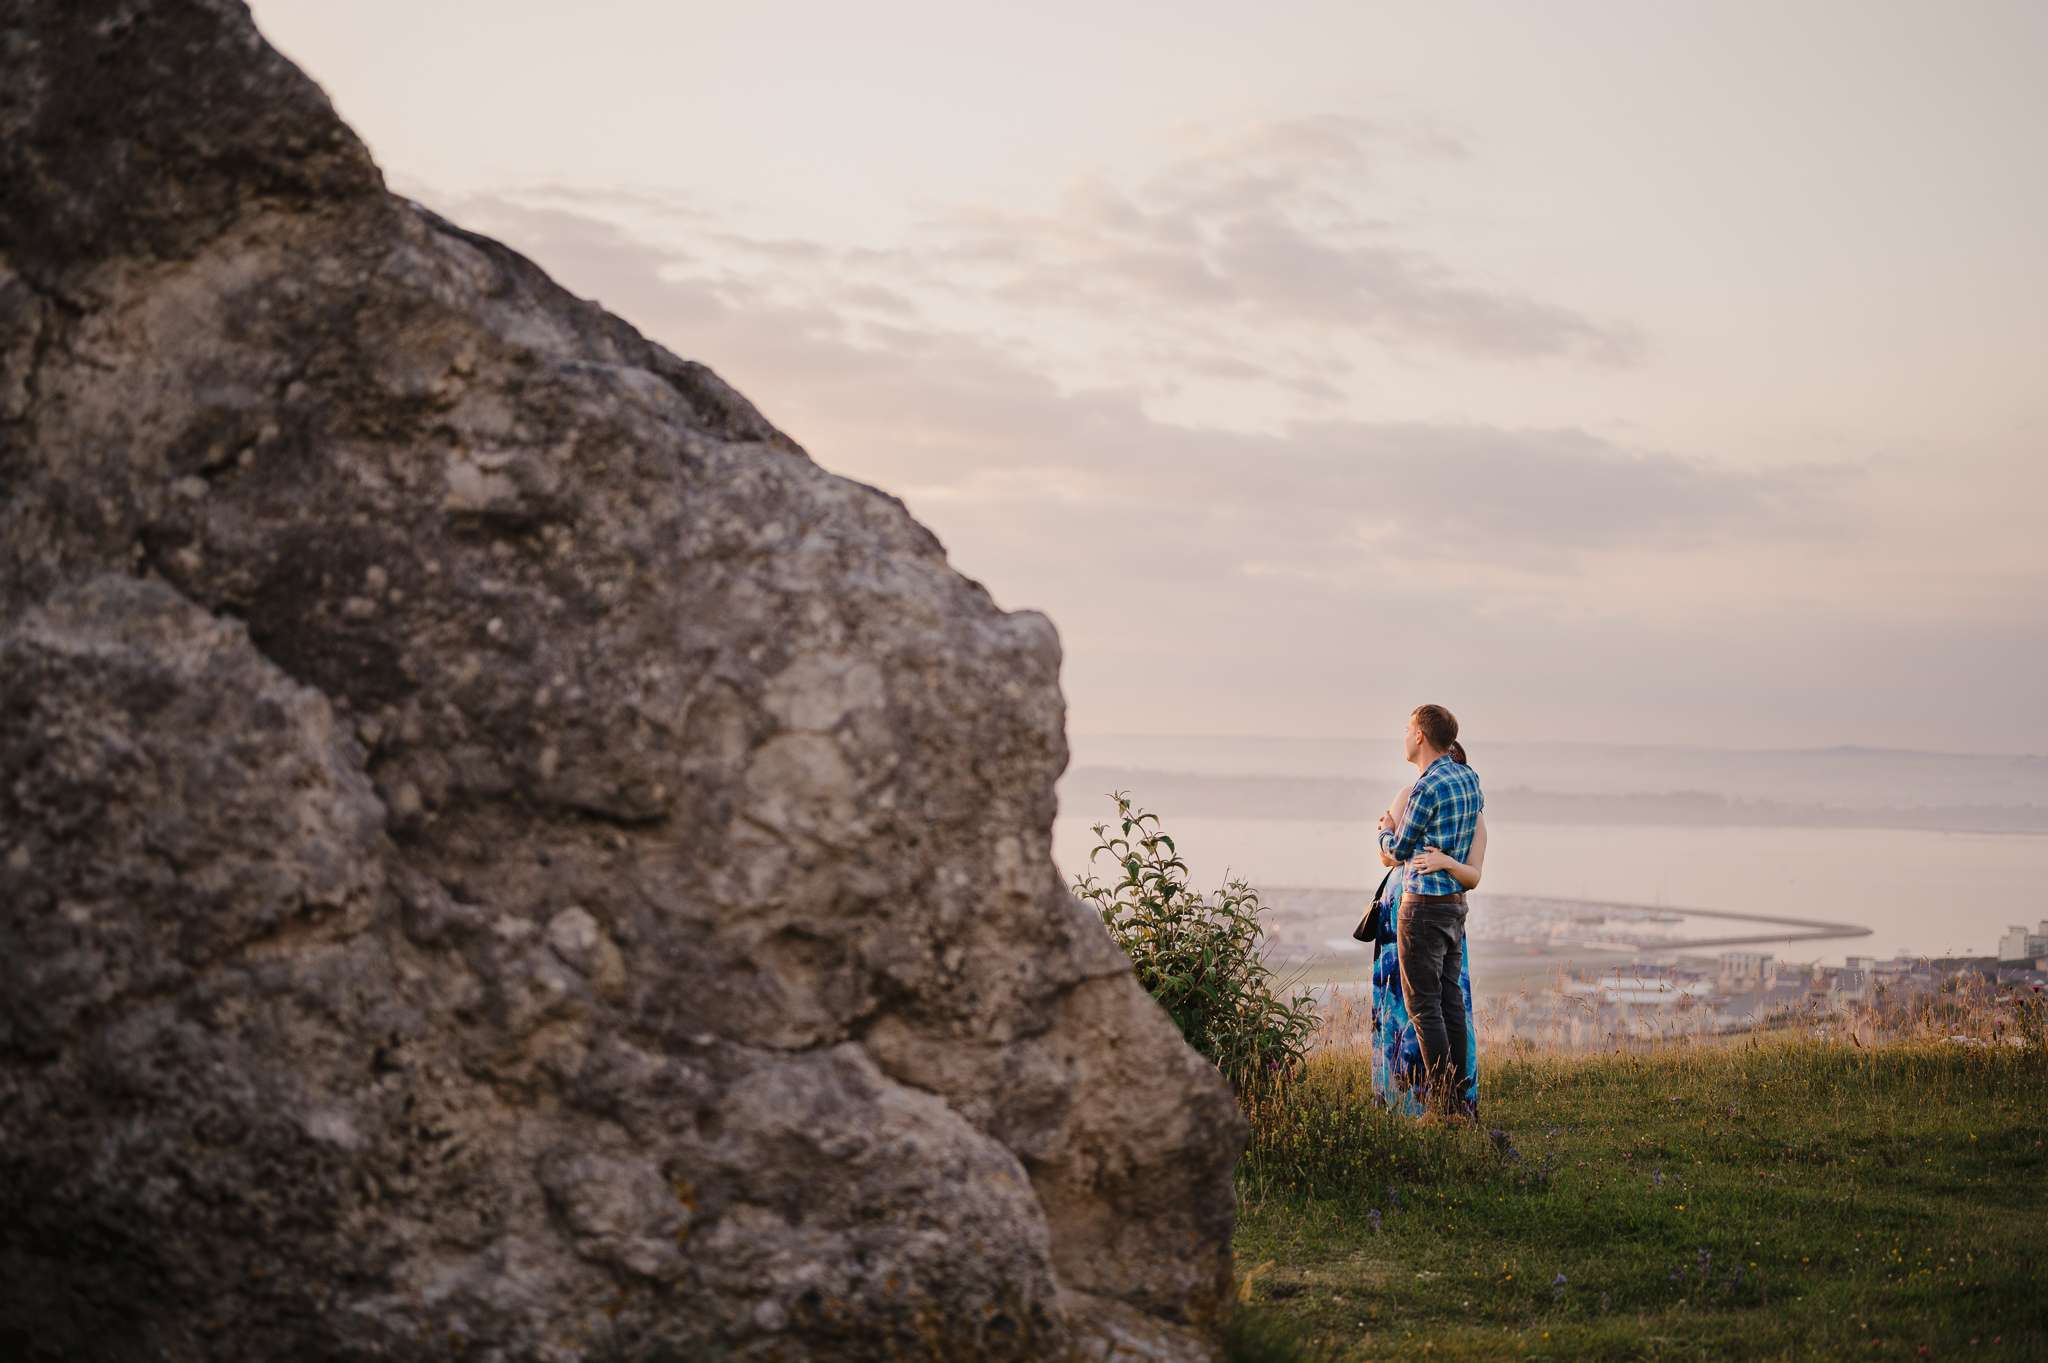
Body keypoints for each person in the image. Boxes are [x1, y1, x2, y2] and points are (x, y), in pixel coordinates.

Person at [1375, 704, 1485, 1120]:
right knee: (1451, 1003)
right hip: (1455, 907)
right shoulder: (1469, 778)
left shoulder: (1425, 789)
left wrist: (1384, 828)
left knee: (1424, 1007)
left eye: (1407, 729)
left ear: (1420, 736)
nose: (1404, 736)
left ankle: (1444, 1105)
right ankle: (1461, 1100)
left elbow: (1398, 851)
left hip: (1421, 908)